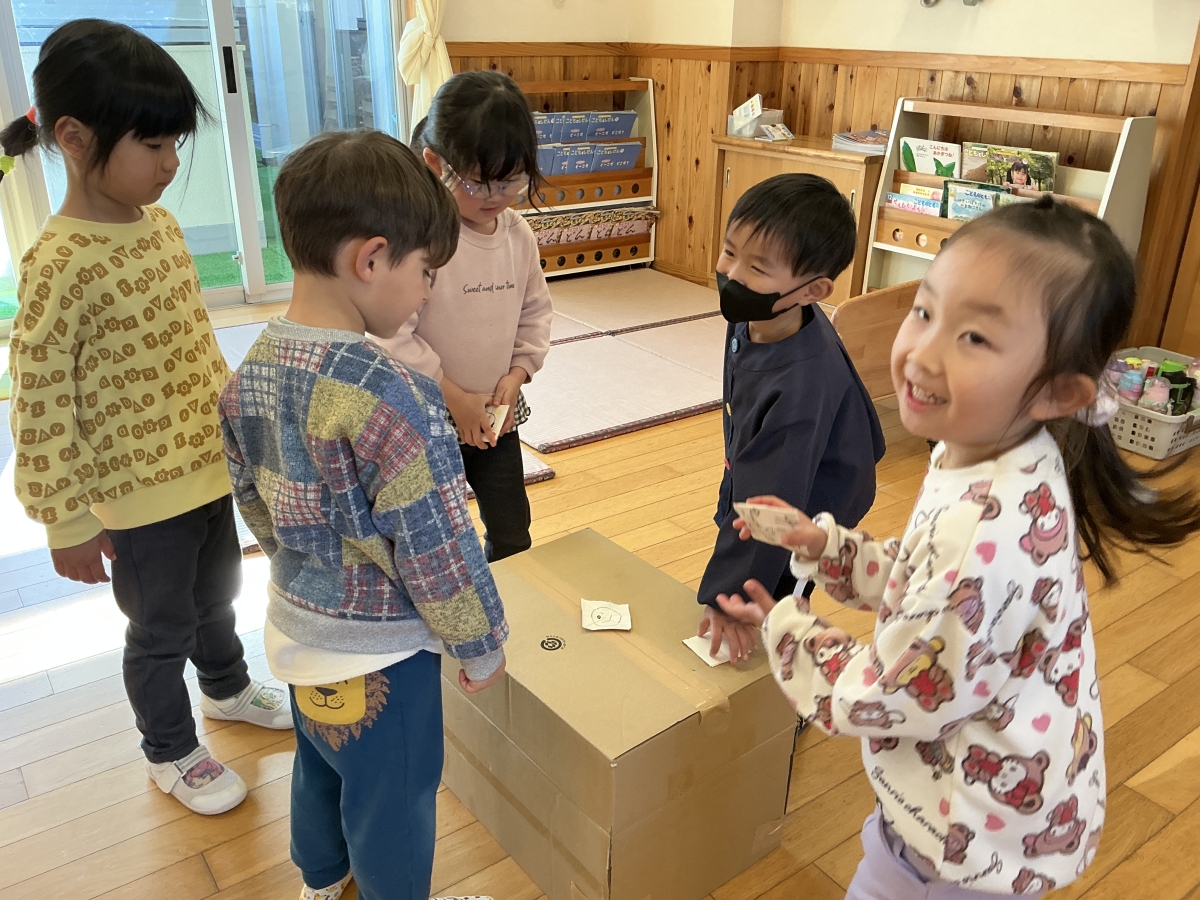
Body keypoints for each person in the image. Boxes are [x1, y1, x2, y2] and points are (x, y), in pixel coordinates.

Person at [717, 197, 1200, 898]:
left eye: (974, 337)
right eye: (925, 311)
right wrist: (829, 548)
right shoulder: (998, 451)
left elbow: (891, 692)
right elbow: (929, 582)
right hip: (982, 800)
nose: (922, 352)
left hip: (963, 840)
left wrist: (788, 629)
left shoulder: (982, 533)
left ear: (1057, 392)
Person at [3, 19, 291, 817]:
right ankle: (169, 749)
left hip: (204, 468)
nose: (171, 164)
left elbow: (192, 343)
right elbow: (40, 401)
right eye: (154, 145)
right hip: (134, 498)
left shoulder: (161, 227)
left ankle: (227, 689)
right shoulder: (58, 263)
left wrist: (240, 428)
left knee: (219, 596)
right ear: (73, 137)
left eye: (174, 145)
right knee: (160, 629)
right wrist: (64, 519)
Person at [218, 130, 508, 900]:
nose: (426, 293)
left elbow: (253, 504)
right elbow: (438, 545)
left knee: (321, 764)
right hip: (382, 652)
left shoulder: (248, 374)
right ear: (372, 259)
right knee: (396, 798)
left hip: (294, 628)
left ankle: (322, 880)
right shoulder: (393, 395)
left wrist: (301, 571)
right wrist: (480, 643)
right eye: (425, 272)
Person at [696, 174, 886, 663]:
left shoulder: (800, 387)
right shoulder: (763, 315)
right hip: (772, 465)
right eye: (729, 251)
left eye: (758, 267)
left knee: (778, 587)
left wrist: (727, 595)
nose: (733, 273)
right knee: (747, 520)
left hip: (817, 496)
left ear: (813, 290)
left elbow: (775, 505)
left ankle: (787, 672)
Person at [374, 70, 552, 562]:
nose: (496, 196)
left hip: (496, 417)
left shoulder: (517, 235)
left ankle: (505, 602)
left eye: (511, 181)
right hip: (429, 420)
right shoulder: (420, 241)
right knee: (438, 541)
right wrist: (453, 398)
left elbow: (535, 312)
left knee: (513, 535)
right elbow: (393, 334)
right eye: (480, 183)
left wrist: (518, 373)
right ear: (436, 163)